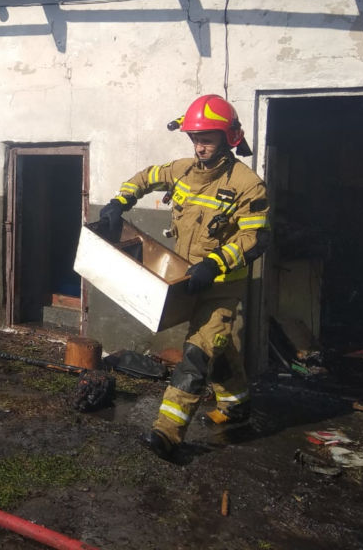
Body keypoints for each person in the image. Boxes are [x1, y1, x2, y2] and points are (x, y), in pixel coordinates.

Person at [97, 94, 271, 459]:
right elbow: (147, 177)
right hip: (187, 279)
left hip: (222, 285)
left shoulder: (248, 184)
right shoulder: (183, 171)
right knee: (218, 345)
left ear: (228, 138)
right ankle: (237, 405)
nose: (200, 146)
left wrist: (215, 264)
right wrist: (119, 202)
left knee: (197, 352)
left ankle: (167, 431)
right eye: (195, 138)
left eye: (207, 138)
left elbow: (255, 237)